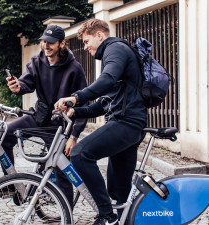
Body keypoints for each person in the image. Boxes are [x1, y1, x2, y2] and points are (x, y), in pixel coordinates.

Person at [55, 18, 147, 225]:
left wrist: (76, 96)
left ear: (100, 35)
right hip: (127, 123)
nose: (85, 47)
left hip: (127, 123)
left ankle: (106, 215)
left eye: (87, 41)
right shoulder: (114, 54)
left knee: (80, 153)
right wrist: (75, 111)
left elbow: (106, 81)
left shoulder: (115, 49)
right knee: (120, 192)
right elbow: (104, 103)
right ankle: (120, 218)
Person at [2, 24, 88, 208]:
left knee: (61, 170)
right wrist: (17, 87)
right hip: (38, 117)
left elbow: (84, 105)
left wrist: (74, 136)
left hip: (58, 126)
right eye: (43, 41)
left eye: (50, 42)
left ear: (61, 43)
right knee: (4, 135)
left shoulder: (74, 68)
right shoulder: (36, 61)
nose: (45, 45)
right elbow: (26, 83)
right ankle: (12, 186)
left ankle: (67, 213)